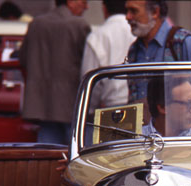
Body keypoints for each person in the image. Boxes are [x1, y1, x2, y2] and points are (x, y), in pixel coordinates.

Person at [19, 0, 90, 144]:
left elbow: (23, 58)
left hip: (42, 103)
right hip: (72, 103)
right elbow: (89, 63)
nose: (86, 7)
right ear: (71, 2)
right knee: (77, 151)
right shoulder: (79, 25)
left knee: (47, 152)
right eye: (83, 2)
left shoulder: (36, 24)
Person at [124, 0, 191, 102]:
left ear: (155, 12)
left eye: (134, 11)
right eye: (127, 11)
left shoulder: (183, 43)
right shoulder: (134, 50)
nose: (127, 17)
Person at [81, 0, 135, 108]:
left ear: (104, 8)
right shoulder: (137, 31)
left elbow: (90, 78)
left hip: (110, 106)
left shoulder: (97, 35)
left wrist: (91, 108)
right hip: (139, 103)